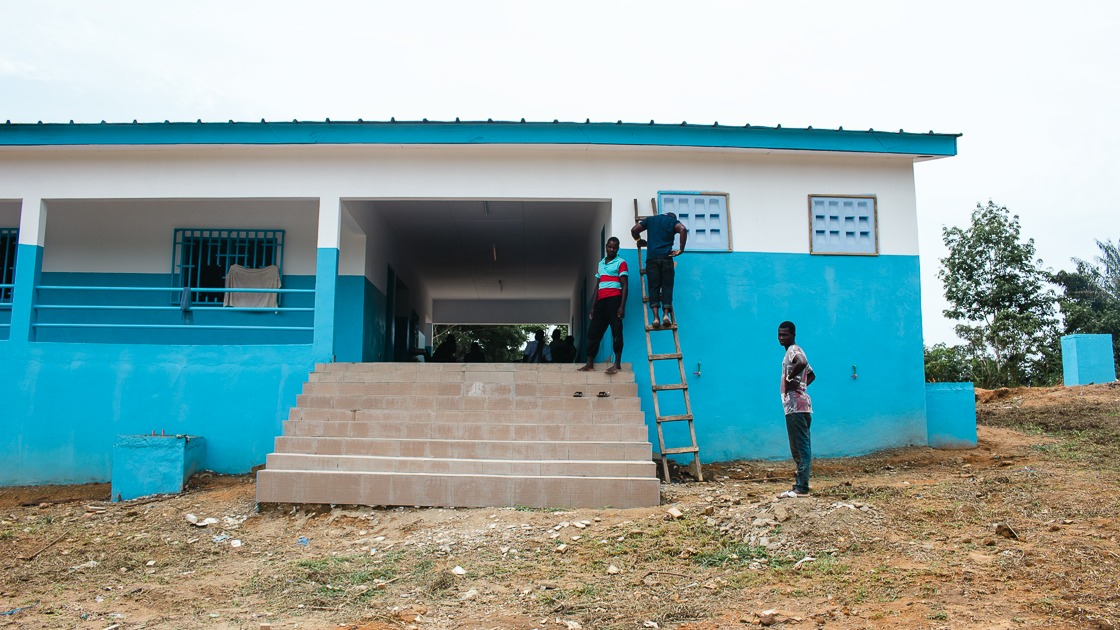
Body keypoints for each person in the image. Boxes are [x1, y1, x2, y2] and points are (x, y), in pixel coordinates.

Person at [777, 321, 816, 498]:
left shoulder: (794, 350)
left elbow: (802, 362)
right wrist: (801, 385)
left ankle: (802, 488)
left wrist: (790, 377)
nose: (781, 338)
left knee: (800, 448)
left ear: (793, 335)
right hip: (800, 407)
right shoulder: (793, 351)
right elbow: (812, 374)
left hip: (796, 408)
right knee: (801, 447)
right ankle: (800, 485)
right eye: (779, 334)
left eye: (785, 334)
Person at [579, 236, 627, 375]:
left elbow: (625, 285)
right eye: (609, 247)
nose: (611, 249)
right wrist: (593, 306)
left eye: (614, 247)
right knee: (593, 333)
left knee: (616, 333)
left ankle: (617, 364)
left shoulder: (621, 263)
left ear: (617, 248)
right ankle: (589, 364)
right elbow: (597, 285)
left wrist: (622, 306)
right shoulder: (601, 263)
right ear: (606, 246)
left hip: (614, 301)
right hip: (601, 302)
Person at [631, 211, 687, 328]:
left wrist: (638, 240)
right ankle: (666, 315)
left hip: (652, 259)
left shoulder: (651, 220)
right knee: (667, 286)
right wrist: (681, 249)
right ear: (673, 218)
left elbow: (634, 230)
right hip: (667, 258)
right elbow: (682, 229)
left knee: (653, 287)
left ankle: (655, 318)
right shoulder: (672, 222)